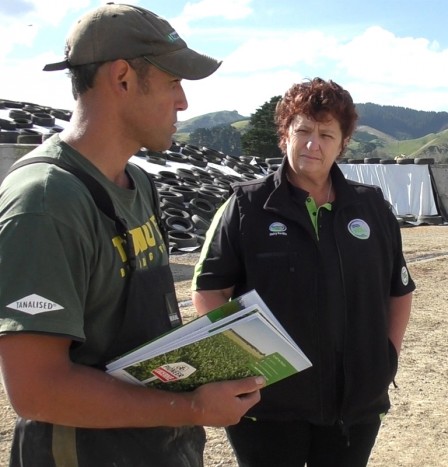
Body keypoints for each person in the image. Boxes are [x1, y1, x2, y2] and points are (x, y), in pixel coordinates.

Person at [0, 4, 264, 466]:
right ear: (122, 78)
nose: (183, 102)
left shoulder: (138, 183)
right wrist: (192, 407)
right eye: (173, 82)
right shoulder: (44, 203)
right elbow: (37, 390)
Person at [192, 77, 415, 466]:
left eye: (327, 134)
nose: (314, 144)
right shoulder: (247, 205)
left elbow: (399, 290)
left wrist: (386, 358)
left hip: (355, 405)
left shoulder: (371, 207)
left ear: (343, 143)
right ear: (285, 136)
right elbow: (209, 290)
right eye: (304, 131)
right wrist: (239, 362)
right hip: (268, 405)